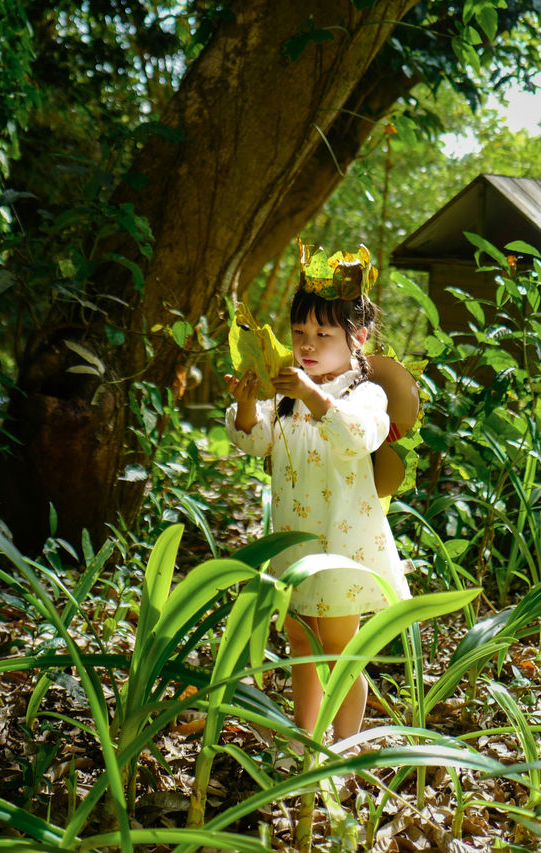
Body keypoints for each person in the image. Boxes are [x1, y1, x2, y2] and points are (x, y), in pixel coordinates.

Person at [224, 241, 411, 748]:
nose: (308, 344)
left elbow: (358, 435)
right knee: (299, 641)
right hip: (295, 541)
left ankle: (346, 742)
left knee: (337, 647)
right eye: (299, 332)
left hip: (343, 544)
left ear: (358, 338)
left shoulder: (363, 394)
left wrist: (312, 393)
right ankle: (306, 740)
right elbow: (255, 439)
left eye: (323, 334)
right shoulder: (285, 395)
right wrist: (246, 408)